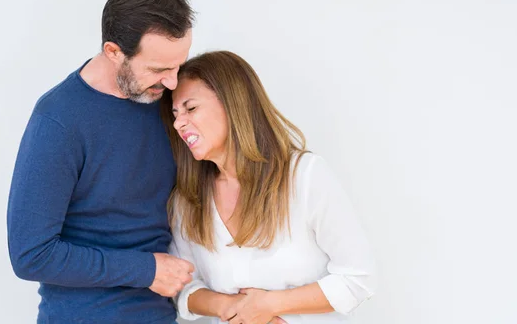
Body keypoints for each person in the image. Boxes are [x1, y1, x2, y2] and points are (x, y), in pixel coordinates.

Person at [7, 0, 196, 324]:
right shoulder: (58, 121)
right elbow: (31, 256)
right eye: (158, 69)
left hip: (162, 315)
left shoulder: (172, 101)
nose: (172, 82)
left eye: (178, 65)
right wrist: (146, 269)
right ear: (113, 52)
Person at [160, 51, 376, 324]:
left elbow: (358, 278)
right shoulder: (187, 199)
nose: (179, 123)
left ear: (233, 104)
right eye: (175, 114)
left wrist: (269, 305)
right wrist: (229, 307)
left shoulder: (304, 176)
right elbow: (182, 286)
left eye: (191, 108)